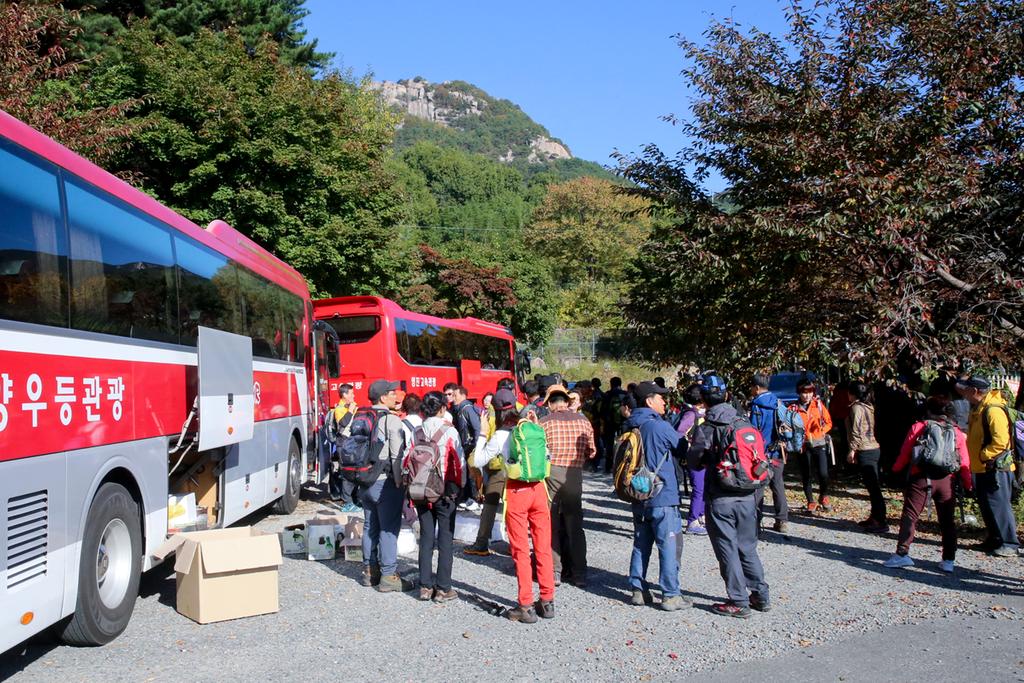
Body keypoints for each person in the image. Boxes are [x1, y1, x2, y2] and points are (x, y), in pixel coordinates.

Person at [687, 375, 770, 618]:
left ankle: (738, 600)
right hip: (748, 494)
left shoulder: (707, 427)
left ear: (703, 399)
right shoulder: (742, 420)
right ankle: (760, 595)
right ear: (726, 395)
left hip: (721, 496)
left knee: (727, 549)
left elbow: (694, 461)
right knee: (748, 546)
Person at [884, 397, 972, 571]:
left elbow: (905, 453)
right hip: (947, 480)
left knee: (910, 515)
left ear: (929, 411)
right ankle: (948, 560)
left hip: (921, 478)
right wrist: (968, 483)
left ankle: (902, 554)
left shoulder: (919, 427)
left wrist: (895, 470)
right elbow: (964, 462)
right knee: (947, 521)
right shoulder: (956, 432)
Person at [624, 381, 689, 611]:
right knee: (667, 544)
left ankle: (637, 589)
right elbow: (682, 450)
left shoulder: (629, 424)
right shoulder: (659, 427)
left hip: (639, 491)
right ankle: (671, 594)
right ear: (649, 400)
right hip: (662, 494)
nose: (664, 401)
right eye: (660, 397)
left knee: (641, 543)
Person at [406, 391, 465, 601]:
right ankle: (443, 588)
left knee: (427, 537)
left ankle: (424, 586)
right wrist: (461, 487)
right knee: (446, 538)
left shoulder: (417, 431)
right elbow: (458, 462)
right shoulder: (450, 430)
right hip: (444, 490)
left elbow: (409, 459)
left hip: (421, 490)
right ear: (442, 408)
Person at [501, 408, 556, 624]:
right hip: (539, 491)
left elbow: (497, 463)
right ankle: (547, 600)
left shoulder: (509, 437)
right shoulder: (538, 434)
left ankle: (526, 605)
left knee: (521, 550)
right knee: (543, 546)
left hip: (517, 492)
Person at [359, 379, 413, 592]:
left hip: (363, 481)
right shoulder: (391, 421)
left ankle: (369, 571)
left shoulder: (361, 416)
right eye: (392, 393)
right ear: (383, 397)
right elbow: (396, 456)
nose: (396, 396)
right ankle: (389, 576)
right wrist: (399, 482)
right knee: (388, 528)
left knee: (369, 526)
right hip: (384, 482)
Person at [540, 388, 597, 587]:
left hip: (551, 474)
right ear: (566, 401)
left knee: (551, 523)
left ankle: (554, 571)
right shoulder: (583, 421)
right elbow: (592, 452)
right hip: (575, 474)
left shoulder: (544, 423)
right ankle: (579, 573)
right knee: (575, 525)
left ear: (549, 404)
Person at [959, 376, 1019, 556]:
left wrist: (982, 455)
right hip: (982, 467)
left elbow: (1001, 442)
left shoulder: (993, 410)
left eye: (967, 389)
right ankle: (994, 540)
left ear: (975, 391)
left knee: (1000, 506)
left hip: (996, 468)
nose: (964, 392)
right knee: (987, 505)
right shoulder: (978, 408)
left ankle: (1009, 544)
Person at [464, 388, 517, 557]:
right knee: (514, 511)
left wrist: (482, 433)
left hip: (499, 468)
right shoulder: (524, 418)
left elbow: (479, 459)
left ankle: (481, 543)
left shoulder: (494, 422)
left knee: (490, 505)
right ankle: (516, 547)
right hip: (521, 476)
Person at [749, 374, 789, 533]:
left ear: (757, 388)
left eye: (752, 387)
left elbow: (753, 429)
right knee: (778, 485)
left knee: (758, 486)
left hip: (761, 453)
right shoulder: (778, 403)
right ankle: (782, 521)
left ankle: (756, 522)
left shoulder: (756, 405)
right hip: (778, 451)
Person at [846, 381, 887, 532]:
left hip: (865, 449)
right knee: (873, 486)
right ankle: (875, 516)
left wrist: (852, 450)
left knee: (873, 487)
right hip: (874, 447)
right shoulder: (869, 406)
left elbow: (857, 431)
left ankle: (880, 520)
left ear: (851, 393)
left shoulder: (856, 408)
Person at [789, 379, 834, 513]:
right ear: (799, 393)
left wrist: (821, 432)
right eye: (804, 392)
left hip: (819, 443)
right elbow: (787, 426)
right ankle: (810, 500)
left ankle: (824, 495)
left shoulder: (818, 405)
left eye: (810, 392)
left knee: (823, 472)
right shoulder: (793, 408)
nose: (807, 395)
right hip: (802, 445)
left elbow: (828, 422)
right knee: (806, 474)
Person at [675, 383, 707, 535]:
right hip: (694, 457)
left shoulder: (699, 413)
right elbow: (679, 433)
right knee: (699, 489)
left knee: (704, 488)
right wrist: (689, 442)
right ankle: (692, 521)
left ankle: (701, 516)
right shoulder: (691, 415)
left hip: (703, 456)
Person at [447, 384, 481, 511]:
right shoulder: (459, 409)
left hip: (471, 446)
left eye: (455, 395)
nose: (453, 398)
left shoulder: (467, 408)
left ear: (462, 395)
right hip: (466, 446)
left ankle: (474, 498)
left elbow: (477, 428)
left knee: (471, 473)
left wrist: (478, 446)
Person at [329, 383, 358, 503]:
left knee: (354, 471)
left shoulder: (349, 407)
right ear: (344, 394)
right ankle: (347, 501)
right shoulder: (339, 409)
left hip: (352, 443)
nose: (353, 395)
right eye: (351, 393)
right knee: (347, 472)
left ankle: (353, 498)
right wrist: (351, 411)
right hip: (343, 444)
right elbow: (343, 423)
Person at [601, 377, 629, 472]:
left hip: (609, 423)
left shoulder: (607, 395)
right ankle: (621, 466)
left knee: (609, 445)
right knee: (624, 444)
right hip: (623, 423)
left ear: (611, 383)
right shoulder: (625, 394)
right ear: (620, 383)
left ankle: (608, 466)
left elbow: (602, 409)